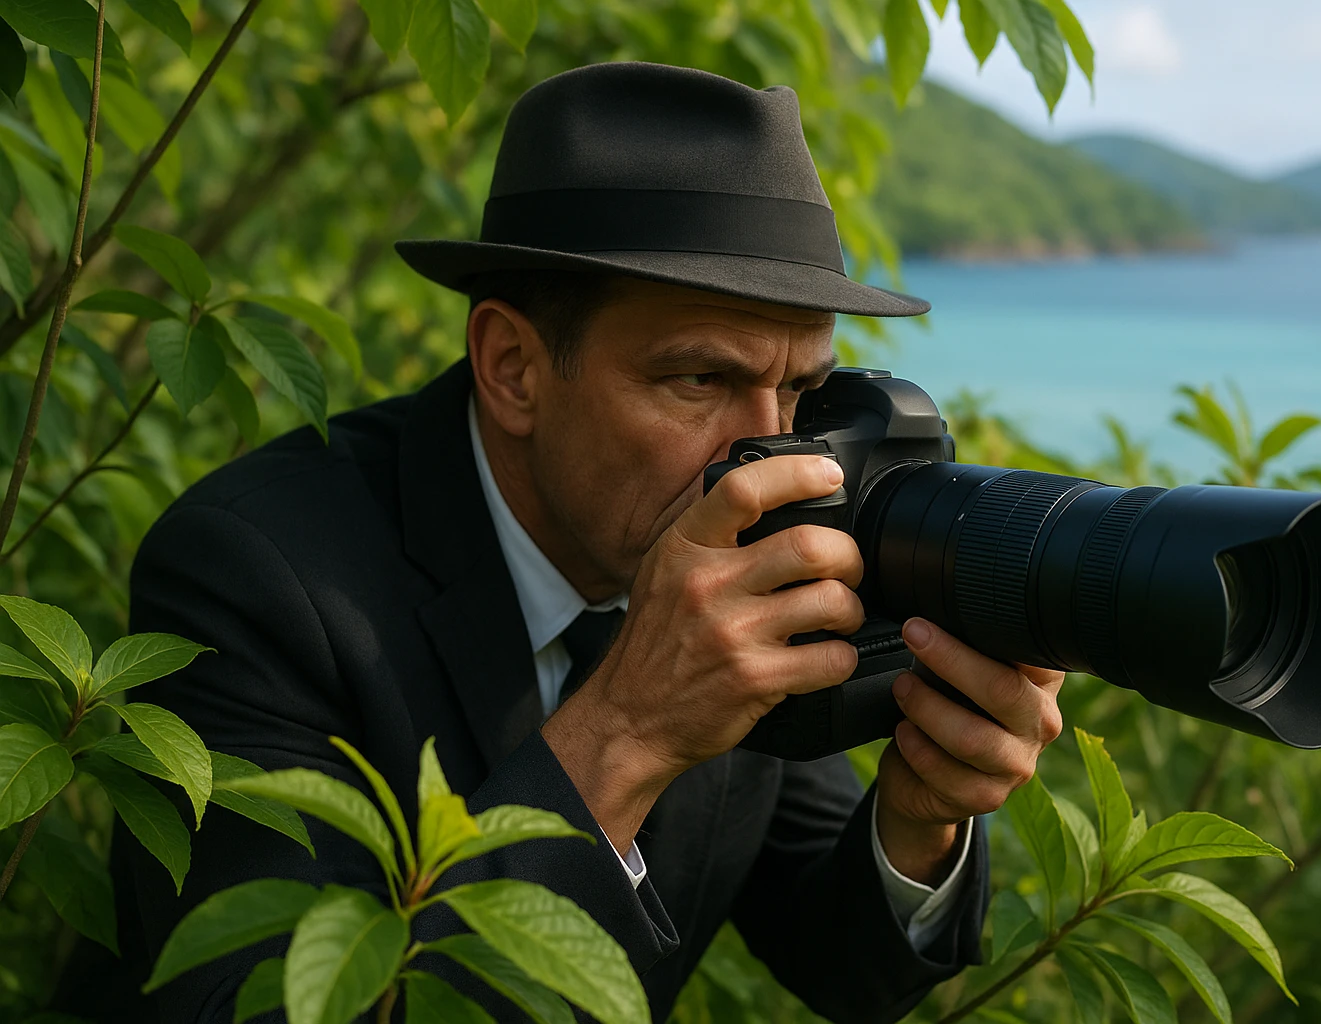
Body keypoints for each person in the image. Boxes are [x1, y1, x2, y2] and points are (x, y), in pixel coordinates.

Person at [104, 62, 1065, 1022]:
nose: (770, 449)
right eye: (699, 380)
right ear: (513, 368)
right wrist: (630, 731)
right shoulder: (257, 577)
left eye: (801, 391)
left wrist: (921, 817)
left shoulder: (755, 554)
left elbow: (836, 956)